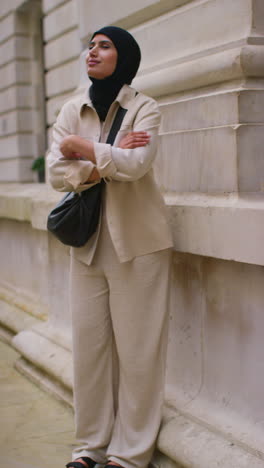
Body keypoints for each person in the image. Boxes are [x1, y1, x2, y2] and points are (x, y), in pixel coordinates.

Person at [47, 26, 173, 468]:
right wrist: (107, 156)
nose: (93, 53)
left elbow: (136, 165)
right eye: (91, 46)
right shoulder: (71, 107)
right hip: (87, 244)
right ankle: (89, 449)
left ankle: (129, 454)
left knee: (139, 353)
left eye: (105, 46)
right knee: (89, 350)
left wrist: (80, 148)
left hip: (139, 244)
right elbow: (54, 173)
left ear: (125, 57)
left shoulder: (146, 109)